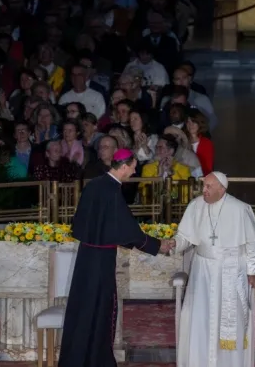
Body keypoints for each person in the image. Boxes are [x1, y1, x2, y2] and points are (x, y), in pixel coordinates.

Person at [58, 149, 175, 367]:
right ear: (123, 166)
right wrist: (158, 246)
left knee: (83, 310)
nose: (134, 171)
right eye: (133, 167)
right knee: (100, 312)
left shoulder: (94, 184)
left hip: (86, 257)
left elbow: (91, 223)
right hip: (101, 261)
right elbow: (128, 230)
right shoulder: (112, 191)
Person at [173, 172, 255, 367]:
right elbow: (185, 237)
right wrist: (173, 243)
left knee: (231, 321)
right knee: (200, 318)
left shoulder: (240, 209)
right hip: (202, 270)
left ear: (222, 189)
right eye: (204, 186)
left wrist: (252, 271)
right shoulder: (195, 206)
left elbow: (252, 244)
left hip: (231, 270)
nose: (204, 190)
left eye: (209, 187)